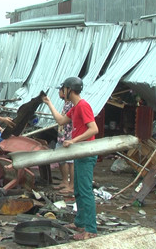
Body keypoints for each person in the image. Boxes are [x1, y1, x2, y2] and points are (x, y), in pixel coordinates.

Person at [42, 76, 98, 240]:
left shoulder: (83, 106)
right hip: (79, 153)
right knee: (79, 190)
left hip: (86, 153)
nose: (63, 92)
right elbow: (60, 120)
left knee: (86, 191)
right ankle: (80, 221)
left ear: (70, 90)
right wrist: (49, 103)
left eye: (64, 89)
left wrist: (73, 140)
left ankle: (91, 229)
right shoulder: (74, 107)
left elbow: (93, 129)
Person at [53, 86, 75, 195]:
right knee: (61, 159)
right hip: (62, 135)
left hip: (69, 136)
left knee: (71, 161)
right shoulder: (66, 104)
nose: (59, 92)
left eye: (60, 90)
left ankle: (72, 185)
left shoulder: (72, 104)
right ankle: (65, 181)